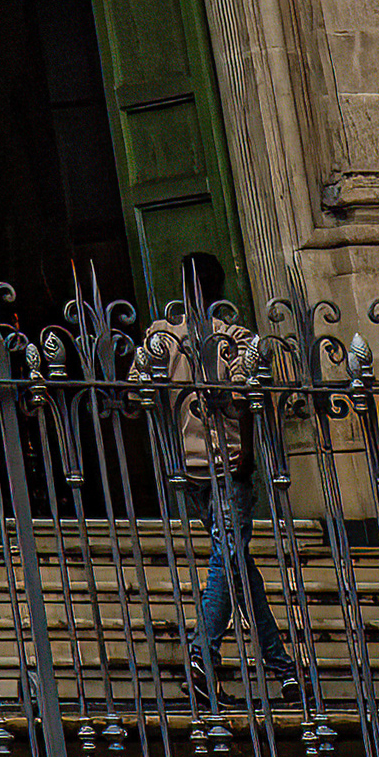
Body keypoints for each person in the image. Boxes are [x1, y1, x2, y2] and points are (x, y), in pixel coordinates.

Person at [139, 279, 313, 711]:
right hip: (226, 463)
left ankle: (284, 670)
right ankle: (203, 657)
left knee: (237, 564)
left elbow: (141, 389)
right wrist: (248, 453)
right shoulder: (233, 339)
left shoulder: (161, 338)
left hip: (187, 464)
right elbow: (245, 397)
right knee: (227, 558)